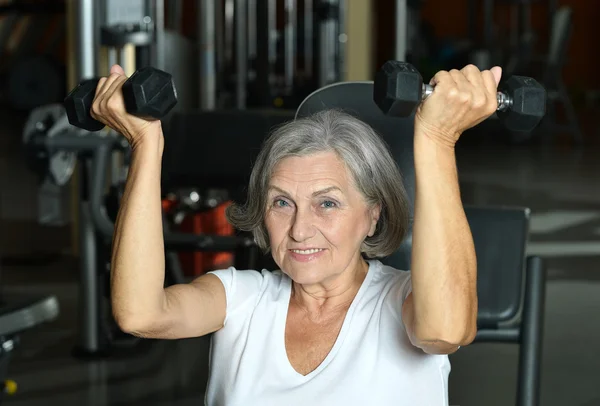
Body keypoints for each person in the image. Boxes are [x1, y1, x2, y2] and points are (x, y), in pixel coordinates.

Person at [93, 63, 502, 405]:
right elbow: (140, 313)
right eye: (281, 203)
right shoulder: (241, 299)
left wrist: (437, 138)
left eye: (327, 203)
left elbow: (446, 330)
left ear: (372, 215)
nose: (300, 230)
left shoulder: (405, 303)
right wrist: (146, 143)